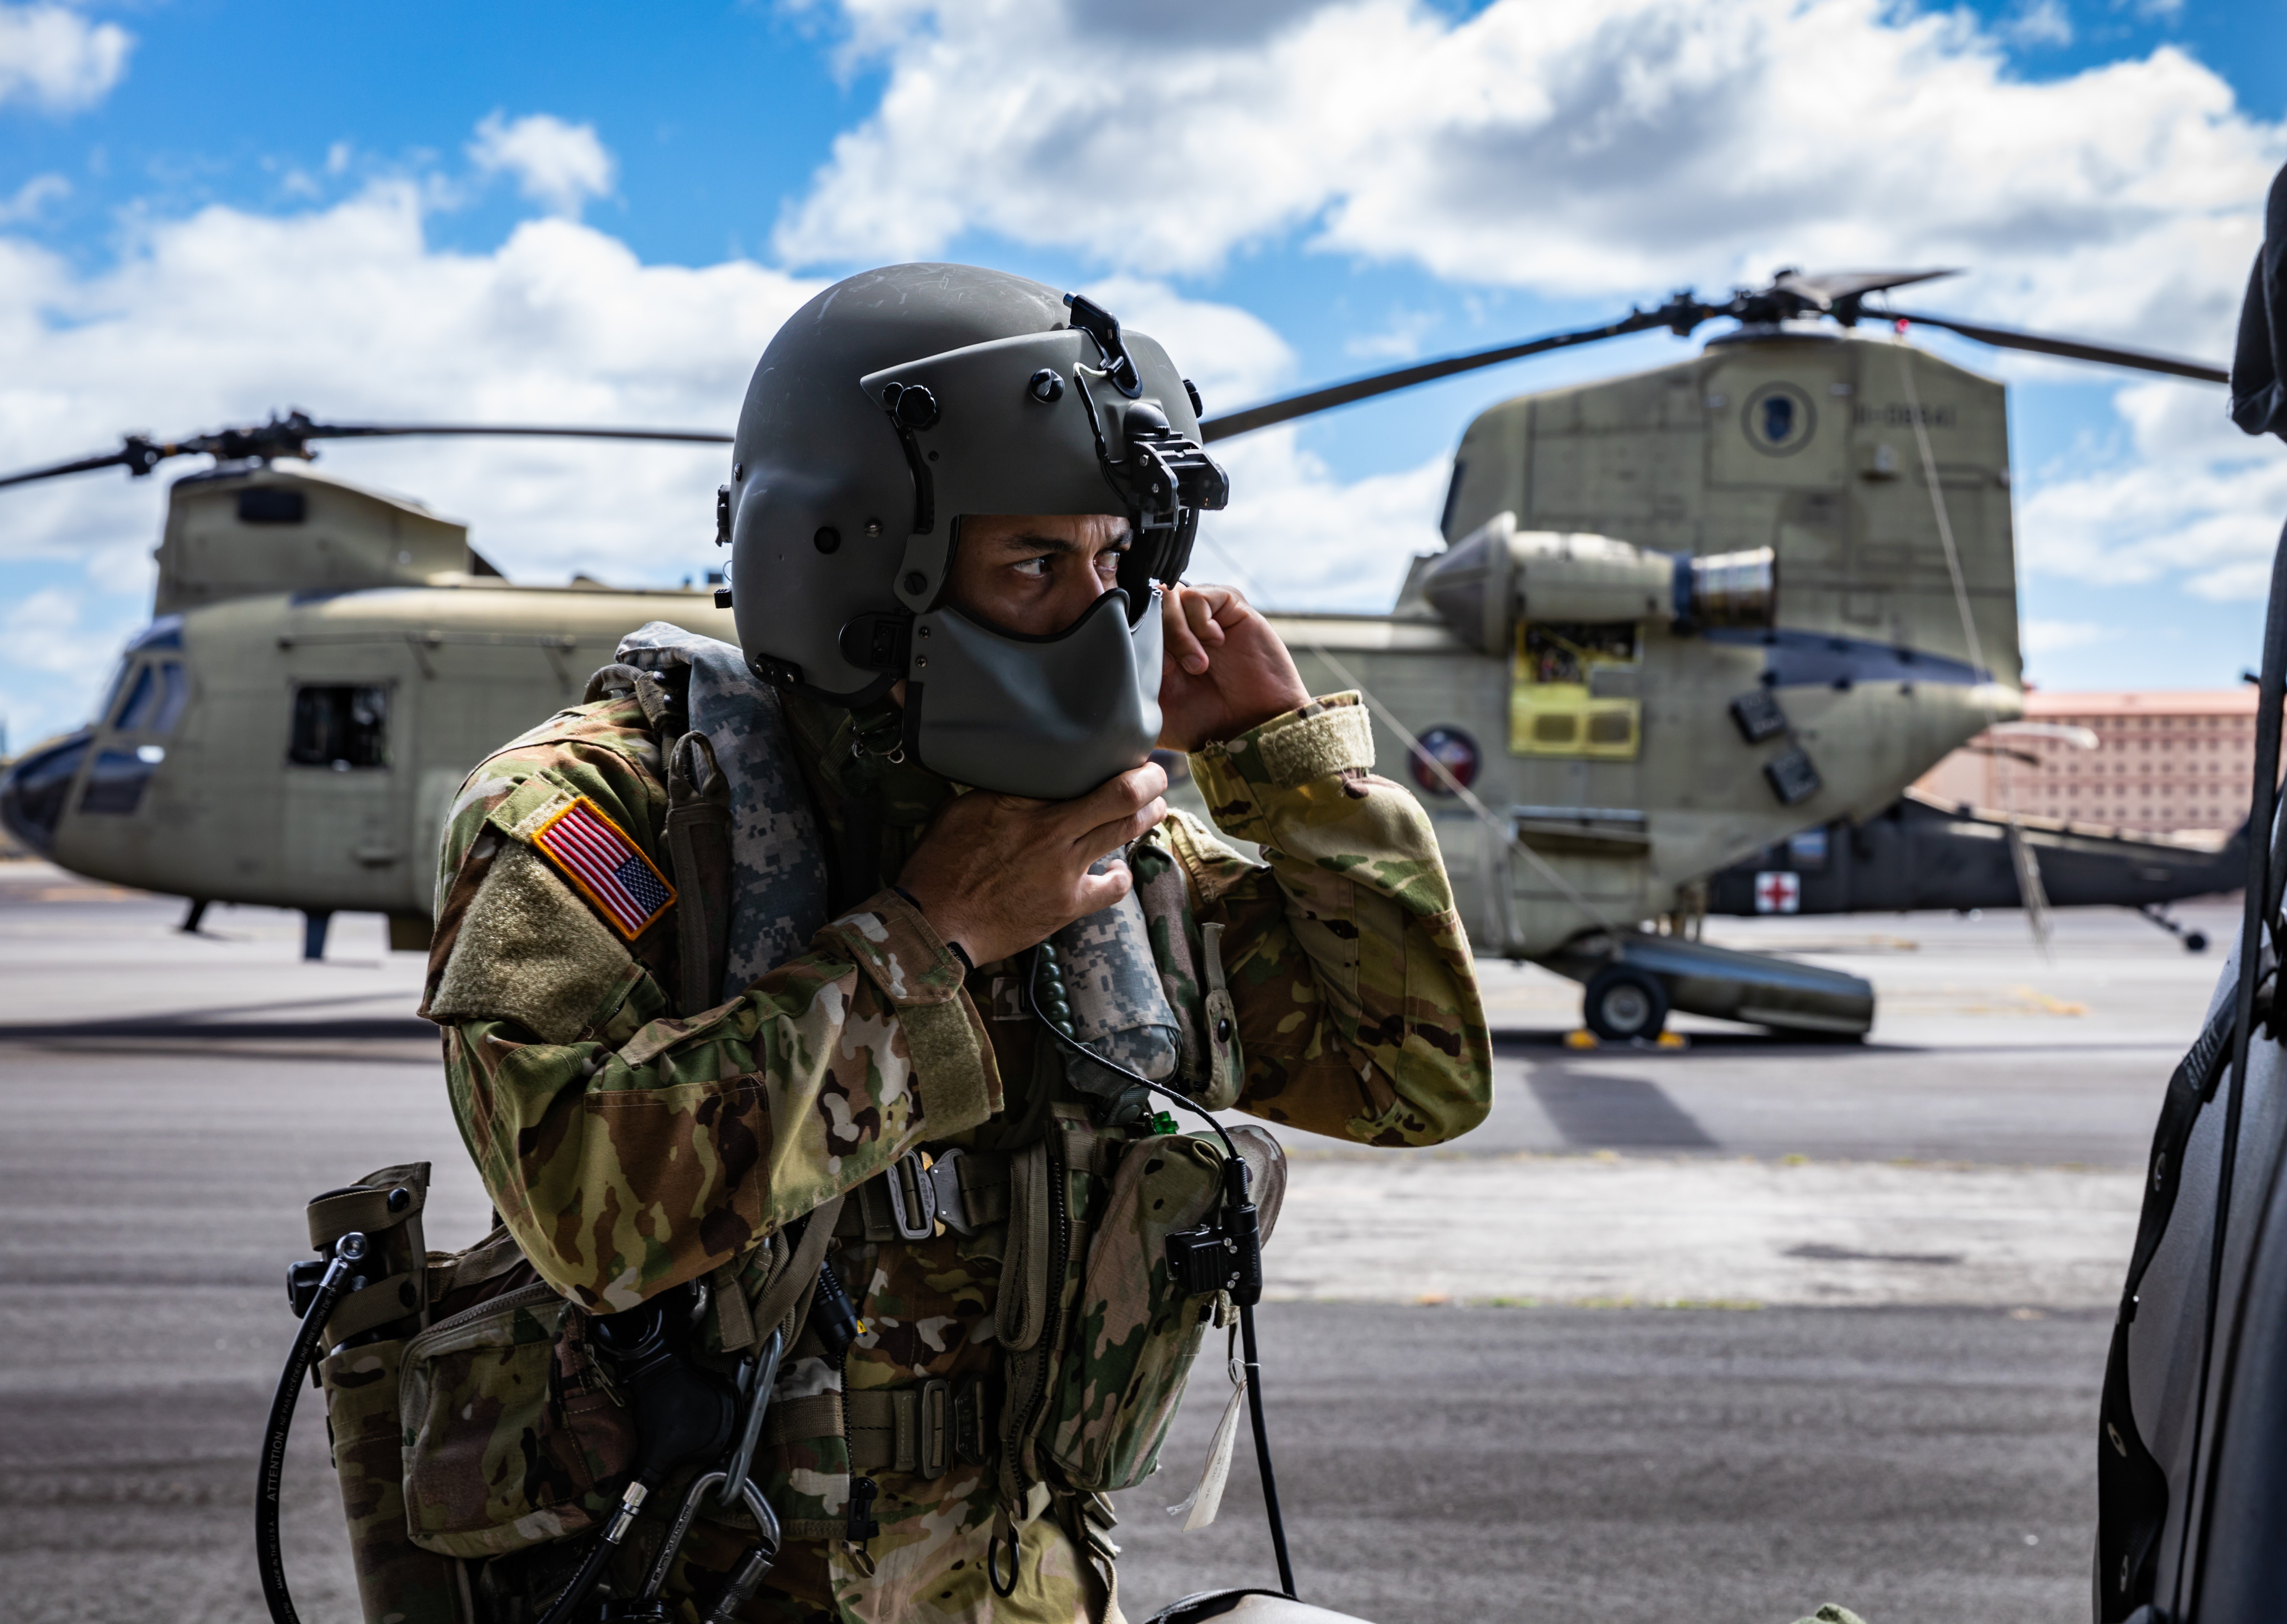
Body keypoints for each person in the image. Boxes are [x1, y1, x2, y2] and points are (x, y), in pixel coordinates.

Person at [418, 264, 1490, 1624]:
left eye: (1117, 564)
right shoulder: (607, 811)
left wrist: (1295, 778)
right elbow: (584, 1210)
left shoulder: (1110, 848)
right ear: (851, 562)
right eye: (1035, 563)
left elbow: (1414, 1081)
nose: (1100, 619)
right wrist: (931, 938)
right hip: (698, 1586)